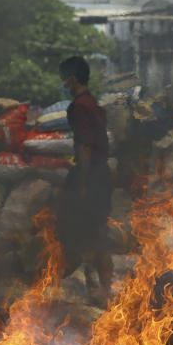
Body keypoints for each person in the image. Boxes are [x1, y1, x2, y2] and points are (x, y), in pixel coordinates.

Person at [57, 56, 113, 305]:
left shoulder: (79, 107)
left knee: (81, 231)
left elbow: (86, 147)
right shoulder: (93, 104)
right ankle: (98, 285)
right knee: (93, 231)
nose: (62, 82)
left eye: (64, 76)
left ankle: (99, 288)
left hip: (91, 176)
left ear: (73, 78)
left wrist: (82, 183)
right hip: (101, 175)